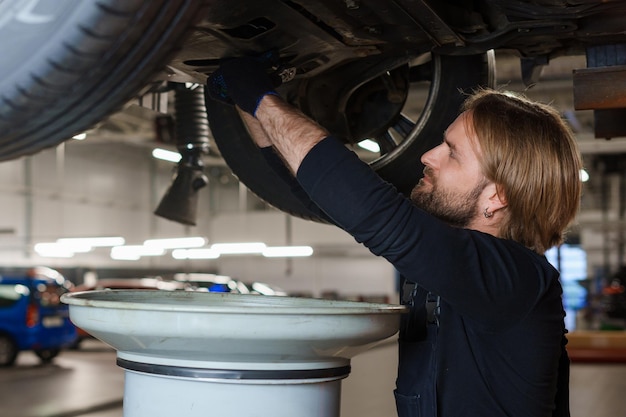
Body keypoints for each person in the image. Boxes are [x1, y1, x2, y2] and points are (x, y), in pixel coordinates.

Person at [208, 57, 582, 417]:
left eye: (451, 153)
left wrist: (261, 96)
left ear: (496, 196)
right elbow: (321, 195)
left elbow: (376, 214)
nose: (428, 155)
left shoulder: (515, 278)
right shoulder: (447, 256)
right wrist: (250, 102)